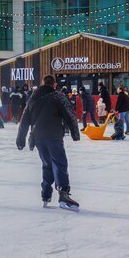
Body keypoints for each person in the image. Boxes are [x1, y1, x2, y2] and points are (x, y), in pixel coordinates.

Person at [16, 75, 81, 211]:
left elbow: (24, 119)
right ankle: (63, 194)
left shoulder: (33, 98)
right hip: (53, 136)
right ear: (54, 85)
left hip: (38, 138)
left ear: (42, 83)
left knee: (47, 164)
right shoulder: (57, 96)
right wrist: (75, 133)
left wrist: (20, 139)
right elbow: (70, 114)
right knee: (59, 163)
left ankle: (46, 194)